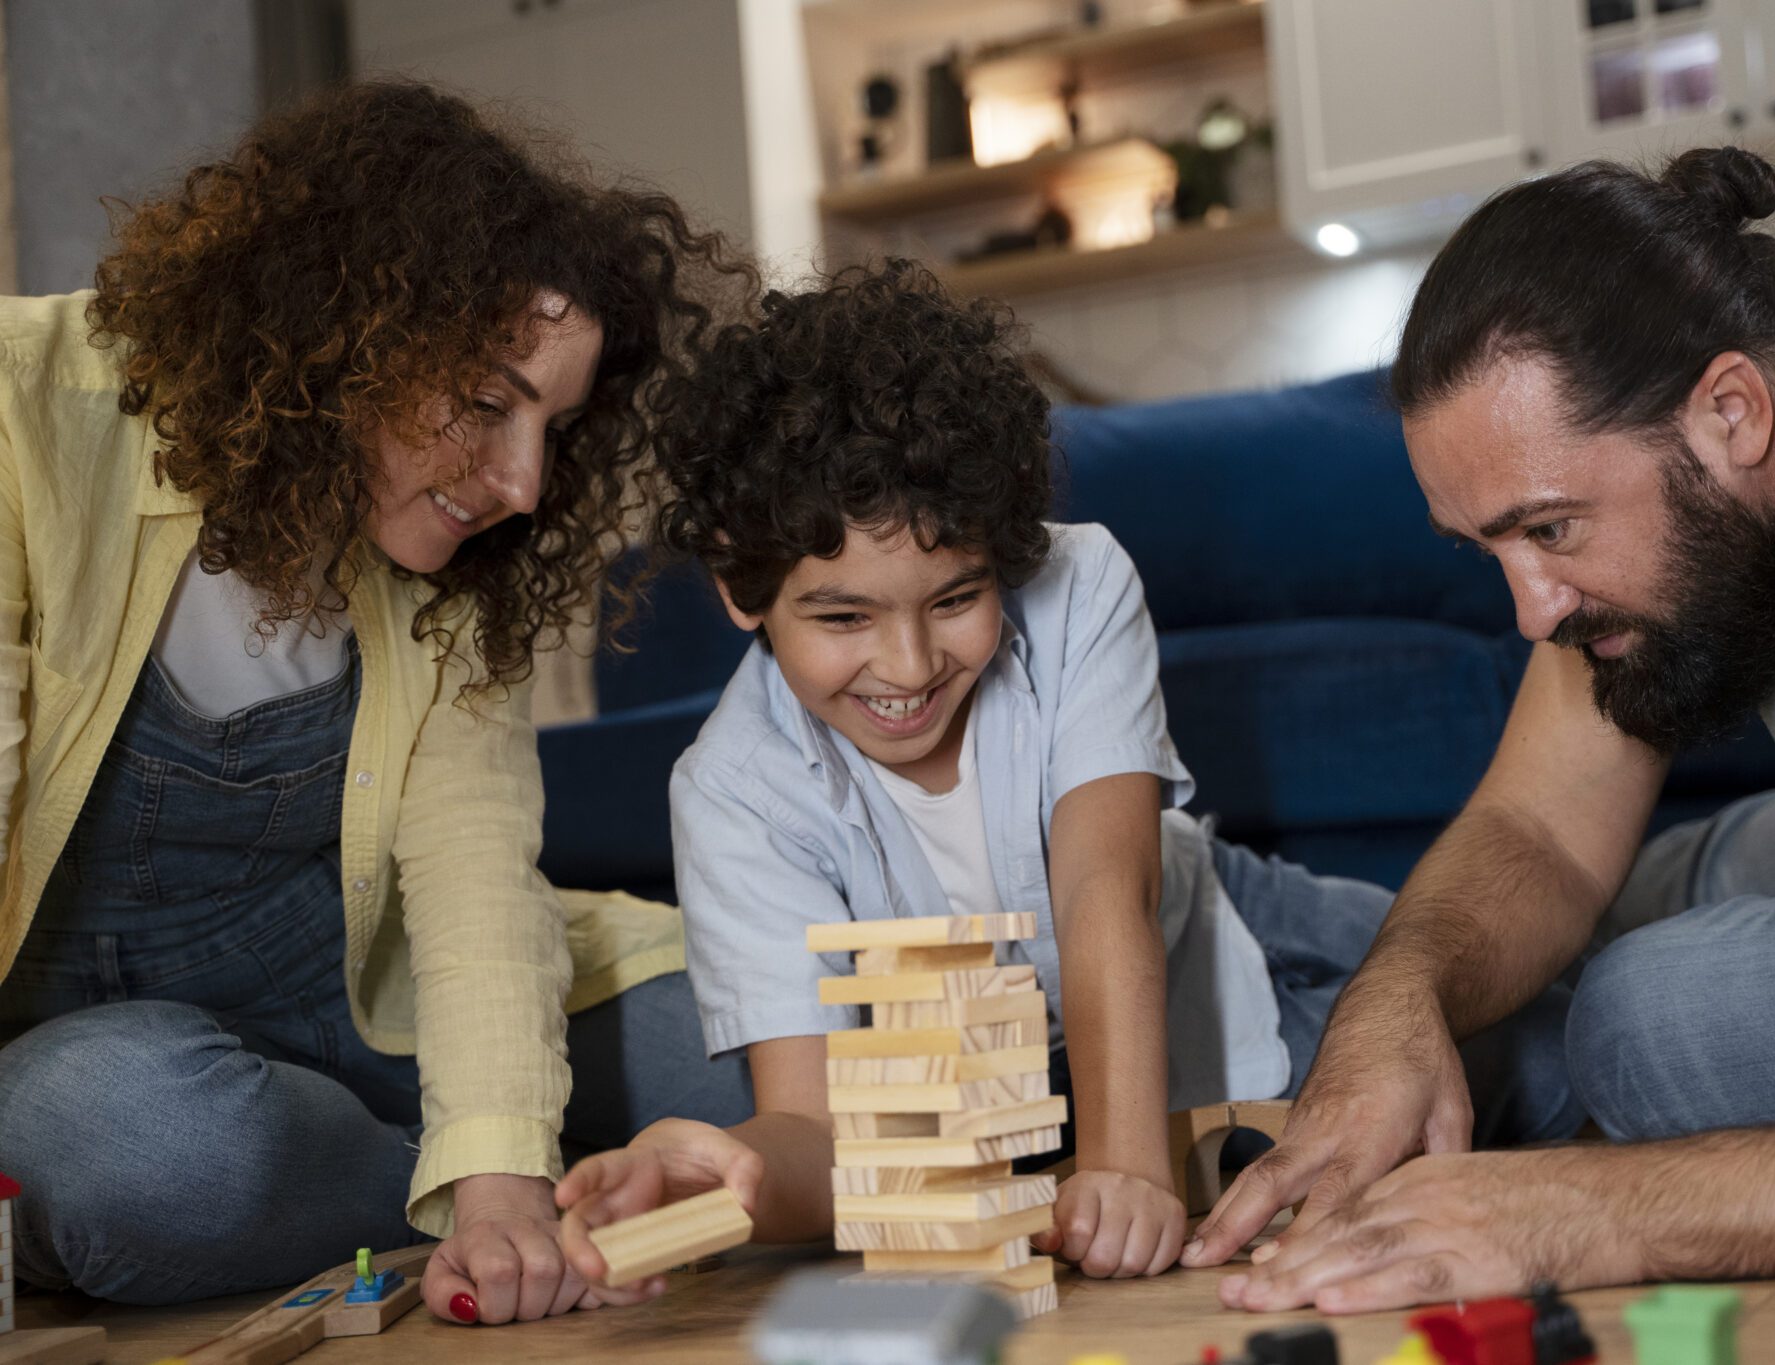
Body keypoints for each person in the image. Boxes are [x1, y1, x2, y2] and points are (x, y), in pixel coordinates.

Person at [549, 261, 1577, 1289]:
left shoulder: (1079, 582)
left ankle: (1669, 879)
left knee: (1542, 1035)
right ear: (739, 584)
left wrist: (1124, 1163)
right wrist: (728, 1181)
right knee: (1431, 1127)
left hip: (1220, 935)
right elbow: (818, 1129)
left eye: (955, 598)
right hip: (1027, 1084)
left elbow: (1101, 891)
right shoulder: (730, 792)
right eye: (843, 617)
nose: (908, 668)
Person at [1180, 146, 1775, 1312]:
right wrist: (1395, 1005)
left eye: (1551, 530)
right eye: (1489, 549)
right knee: (1640, 888)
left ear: (1730, 413)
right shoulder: (1769, 354)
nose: (1529, 612)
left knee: (1650, 1018)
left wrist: (1589, 1205)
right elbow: (1540, 828)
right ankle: (1272, 939)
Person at [0, 81, 753, 1323]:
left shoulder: (461, 559)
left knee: (767, 1076)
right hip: (103, 1057)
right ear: (341, 331)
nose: (522, 484)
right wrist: (478, 1184)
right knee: (142, 1153)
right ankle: (462, 1185)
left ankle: (476, 1176)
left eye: (553, 428)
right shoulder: (27, 408)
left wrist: (501, 1169)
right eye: (485, 403)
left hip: (375, 1001)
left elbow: (470, 873)